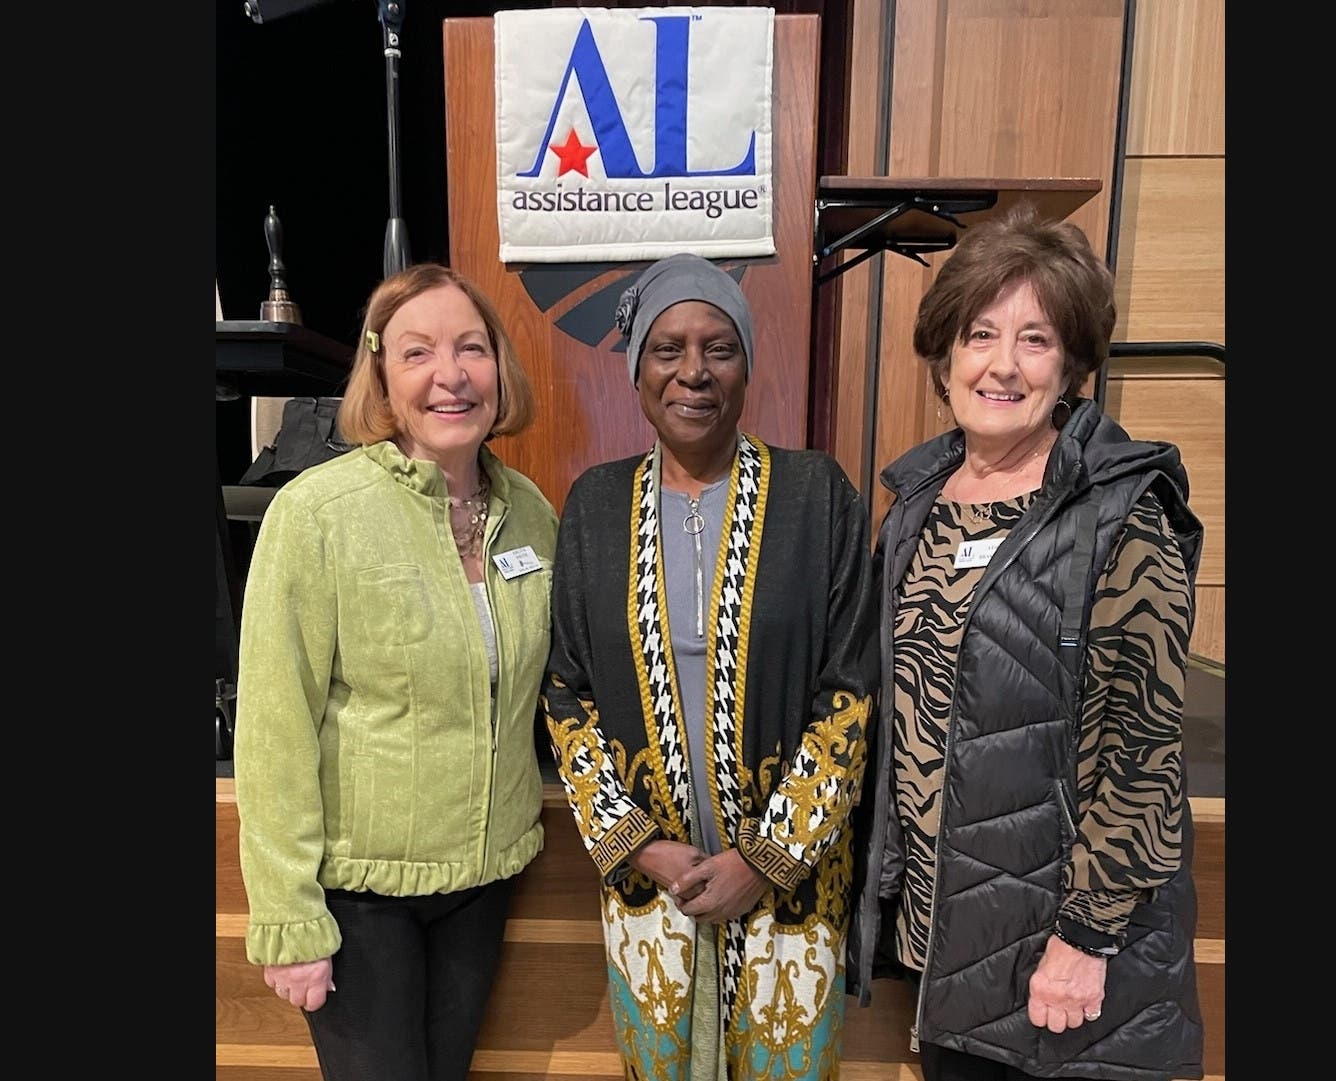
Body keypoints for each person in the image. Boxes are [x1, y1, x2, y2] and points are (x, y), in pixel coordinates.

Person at [847, 203, 1205, 1081]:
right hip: (945, 941)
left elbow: (1141, 752)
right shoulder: (917, 504)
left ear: (1072, 363)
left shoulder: (1122, 516)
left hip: (1069, 961)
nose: (1001, 364)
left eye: (1035, 339)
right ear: (944, 356)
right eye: (979, 333)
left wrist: (1084, 938)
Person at [541, 253, 879, 1081]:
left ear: (746, 365)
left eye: (718, 347)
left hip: (788, 895)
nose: (693, 370)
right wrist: (642, 846)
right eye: (668, 348)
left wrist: (762, 861)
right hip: (652, 889)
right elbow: (564, 696)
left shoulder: (815, 497)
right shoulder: (595, 507)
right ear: (635, 369)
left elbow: (850, 696)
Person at [232, 263, 558, 1081]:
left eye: (470, 348)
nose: (449, 375)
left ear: (499, 369)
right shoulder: (317, 513)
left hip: (481, 883)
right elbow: (273, 728)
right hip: (359, 893)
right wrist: (289, 916)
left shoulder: (532, 511)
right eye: (417, 353)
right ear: (381, 375)